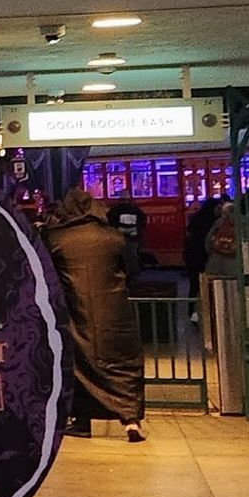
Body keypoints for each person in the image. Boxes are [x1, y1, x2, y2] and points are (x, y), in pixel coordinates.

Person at [43, 186, 146, 441]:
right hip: (115, 312)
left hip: (76, 313)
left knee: (80, 367)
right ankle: (131, 421)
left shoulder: (56, 238)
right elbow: (132, 269)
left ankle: (82, 421)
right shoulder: (114, 237)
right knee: (122, 364)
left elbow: (47, 276)